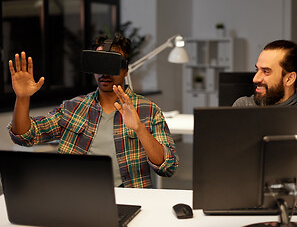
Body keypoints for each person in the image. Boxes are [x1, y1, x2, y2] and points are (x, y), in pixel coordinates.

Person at [7, 33, 179, 188]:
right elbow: (25, 136)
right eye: (99, 62)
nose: (105, 72)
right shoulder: (73, 108)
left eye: (112, 63)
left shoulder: (148, 110)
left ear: (125, 69)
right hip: (76, 194)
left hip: (130, 196)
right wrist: (22, 98)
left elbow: (168, 167)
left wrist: (140, 129)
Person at [233, 40, 297, 107]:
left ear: (289, 78)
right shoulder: (244, 106)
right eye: (257, 70)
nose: (255, 79)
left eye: (266, 71)